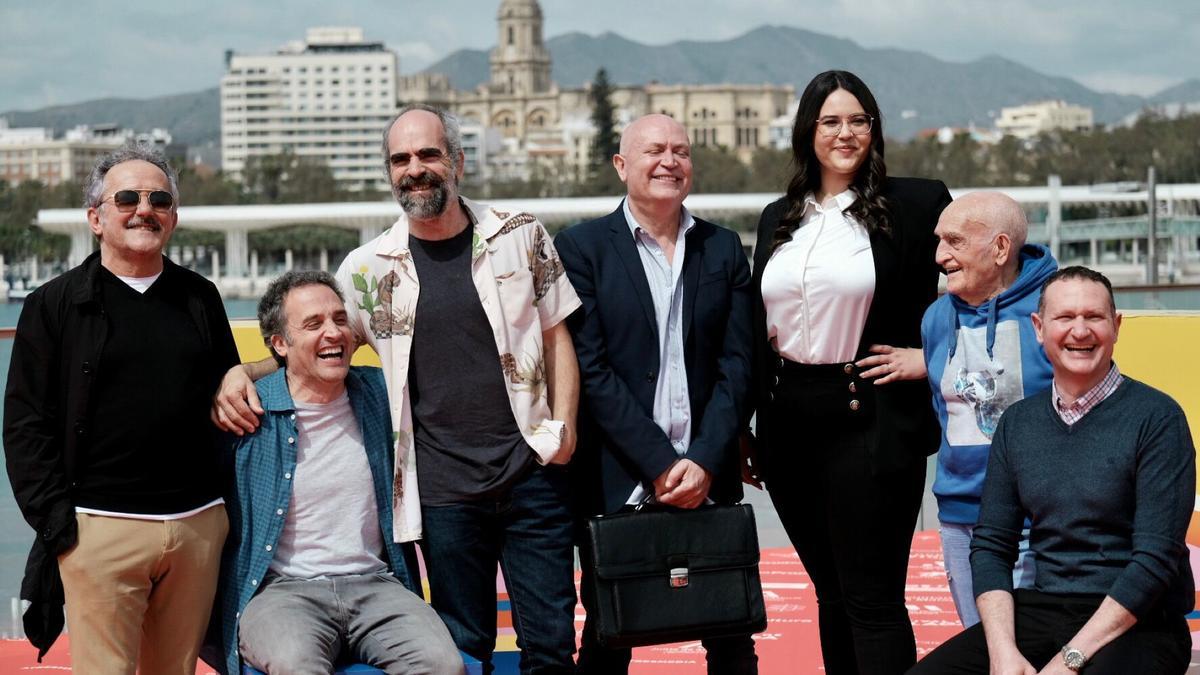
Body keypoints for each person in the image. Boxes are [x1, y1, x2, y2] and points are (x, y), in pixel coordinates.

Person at [213, 104, 582, 674]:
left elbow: (558, 334)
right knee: (467, 648)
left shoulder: (518, 233)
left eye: (428, 154)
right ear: (390, 173)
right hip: (441, 492)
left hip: (533, 474)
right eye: (401, 159)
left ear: (456, 162)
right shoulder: (366, 269)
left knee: (552, 648)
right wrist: (248, 371)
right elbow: (320, 343)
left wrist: (565, 431)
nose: (415, 169)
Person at [3, 144, 239, 673]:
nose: (144, 209)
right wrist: (62, 529)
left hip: (196, 529)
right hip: (98, 531)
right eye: (127, 197)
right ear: (96, 217)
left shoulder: (201, 297)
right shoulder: (54, 304)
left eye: (160, 199)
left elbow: (228, 391)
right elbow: (24, 424)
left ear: (173, 216)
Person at [747, 70, 952, 674]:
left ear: (874, 128)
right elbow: (757, 326)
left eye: (858, 120)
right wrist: (743, 426)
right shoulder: (777, 215)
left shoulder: (918, 203)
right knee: (830, 593)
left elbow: (994, 286)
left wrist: (930, 358)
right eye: (830, 120)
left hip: (871, 417)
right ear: (808, 129)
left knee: (873, 600)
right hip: (786, 424)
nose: (845, 132)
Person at [909, 266, 1194, 674]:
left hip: (1142, 622)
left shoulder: (1157, 418)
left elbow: (1155, 560)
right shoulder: (1018, 423)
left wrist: (1069, 660)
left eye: (1093, 317)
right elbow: (992, 544)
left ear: (1116, 326)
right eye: (1065, 318)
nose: (1080, 331)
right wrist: (1003, 651)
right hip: (1043, 610)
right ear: (1039, 328)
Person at [555, 113, 758, 674]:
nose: (670, 161)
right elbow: (590, 370)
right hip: (619, 476)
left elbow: (739, 364)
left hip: (708, 477)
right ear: (622, 166)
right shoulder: (581, 248)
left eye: (681, 151)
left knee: (731, 634)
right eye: (654, 151)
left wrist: (703, 461)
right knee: (609, 632)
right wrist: (660, 464)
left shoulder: (721, 248)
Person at [211, 271, 462, 675]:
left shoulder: (382, 394)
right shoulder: (247, 413)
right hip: (283, 592)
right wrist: (238, 374)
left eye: (340, 320)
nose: (333, 332)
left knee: (443, 665)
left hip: (377, 584)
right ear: (279, 344)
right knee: (297, 666)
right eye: (313, 324)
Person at [921, 191, 1057, 627]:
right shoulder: (936, 318)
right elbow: (944, 414)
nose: (941, 255)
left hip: (1034, 521)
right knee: (980, 649)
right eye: (939, 241)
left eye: (955, 241)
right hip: (959, 517)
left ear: (1000, 248)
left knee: (1029, 652)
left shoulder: (1052, 309)